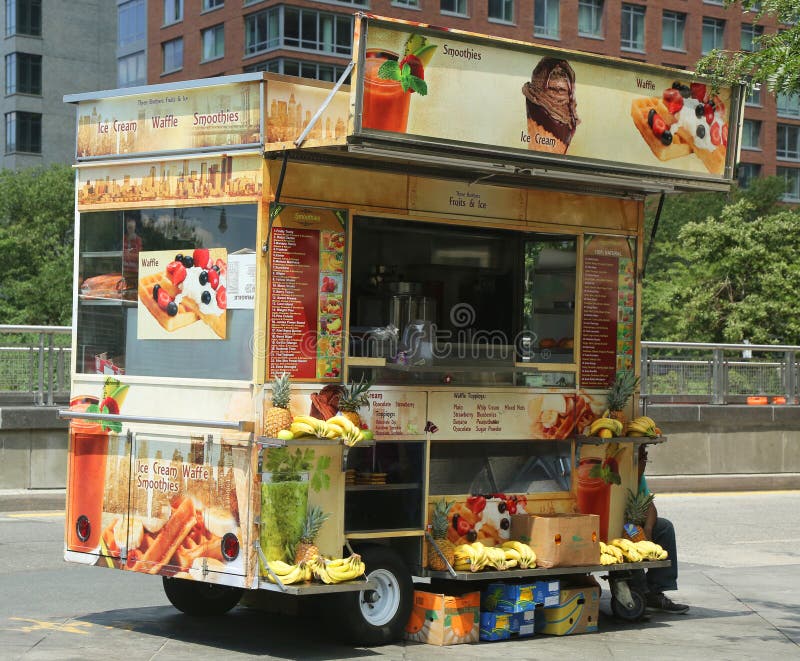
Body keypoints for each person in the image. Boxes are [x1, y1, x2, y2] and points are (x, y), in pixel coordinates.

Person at [631, 444, 689, 614]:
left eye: (645, 458)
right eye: (641, 459)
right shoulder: (621, 474)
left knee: (664, 527)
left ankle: (656, 590)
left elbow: (649, 506)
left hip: (636, 523)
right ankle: (641, 591)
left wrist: (648, 530)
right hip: (620, 526)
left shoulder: (639, 477)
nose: (644, 463)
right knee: (630, 541)